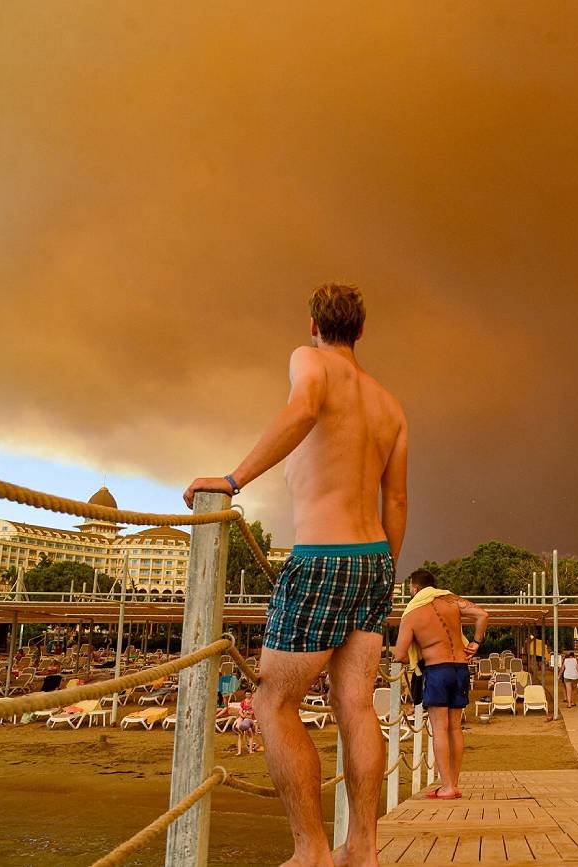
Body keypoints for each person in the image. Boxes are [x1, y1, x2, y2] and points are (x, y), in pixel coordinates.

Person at [183, 283, 408, 867]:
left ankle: (310, 852)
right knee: (357, 705)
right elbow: (398, 502)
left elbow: (305, 407)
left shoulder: (309, 360)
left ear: (314, 324)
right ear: (360, 331)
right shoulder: (390, 405)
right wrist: (385, 573)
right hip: (374, 561)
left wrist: (232, 481)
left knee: (274, 701)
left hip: (322, 557)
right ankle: (364, 849)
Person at [391, 569, 489, 801]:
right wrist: (475, 643)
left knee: (439, 729)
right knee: (455, 727)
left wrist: (416, 657)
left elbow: (400, 654)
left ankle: (446, 787)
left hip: (437, 670)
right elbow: (483, 615)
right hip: (460, 668)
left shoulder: (412, 613)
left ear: (414, 589)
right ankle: (453, 784)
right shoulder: (451, 600)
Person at [236, 690, 260, 755]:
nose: (248, 695)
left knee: (251, 734)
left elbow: (253, 712)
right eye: (247, 694)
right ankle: (241, 751)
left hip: (250, 720)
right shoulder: (243, 702)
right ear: (245, 695)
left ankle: (249, 750)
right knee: (244, 735)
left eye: (249, 694)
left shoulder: (254, 701)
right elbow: (240, 711)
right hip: (245, 720)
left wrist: (246, 713)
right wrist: (243, 715)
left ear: (251, 694)